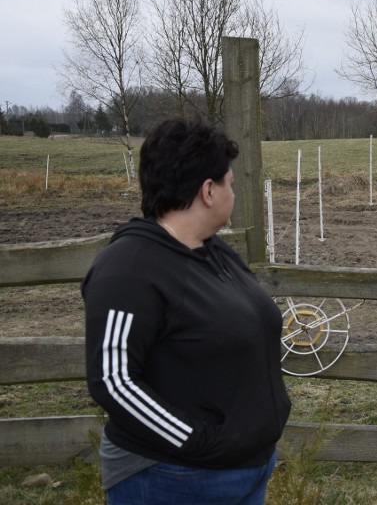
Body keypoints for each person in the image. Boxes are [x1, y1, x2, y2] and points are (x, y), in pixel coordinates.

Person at [82, 116, 291, 504]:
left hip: (241, 471)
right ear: (208, 191)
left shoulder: (213, 252)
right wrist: (200, 442)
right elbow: (113, 381)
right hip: (169, 478)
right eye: (231, 183)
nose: (235, 191)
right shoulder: (128, 269)